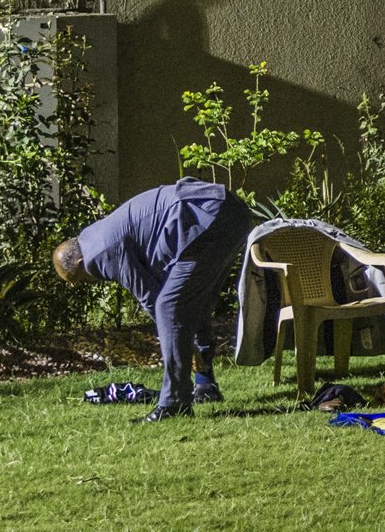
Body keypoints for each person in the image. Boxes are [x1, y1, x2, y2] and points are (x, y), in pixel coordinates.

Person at [53, 178, 256, 422]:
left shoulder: (99, 255)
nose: (89, 282)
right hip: (230, 211)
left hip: (206, 215)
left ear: (80, 264)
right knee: (192, 300)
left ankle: (174, 404)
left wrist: (186, 347)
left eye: (82, 279)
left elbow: (150, 297)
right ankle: (205, 385)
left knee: (168, 306)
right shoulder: (90, 237)